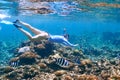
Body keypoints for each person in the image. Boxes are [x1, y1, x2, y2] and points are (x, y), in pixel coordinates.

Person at [13, 20, 78, 47]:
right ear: (66, 37)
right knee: (32, 39)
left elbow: (64, 42)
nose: (67, 39)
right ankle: (20, 28)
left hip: (45, 33)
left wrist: (64, 31)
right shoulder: (64, 39)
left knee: (31, 28)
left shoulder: (61, 37)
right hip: (46, 36)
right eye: (67, 38)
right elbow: (69, 44)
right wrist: (74, 45)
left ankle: (19, 21)